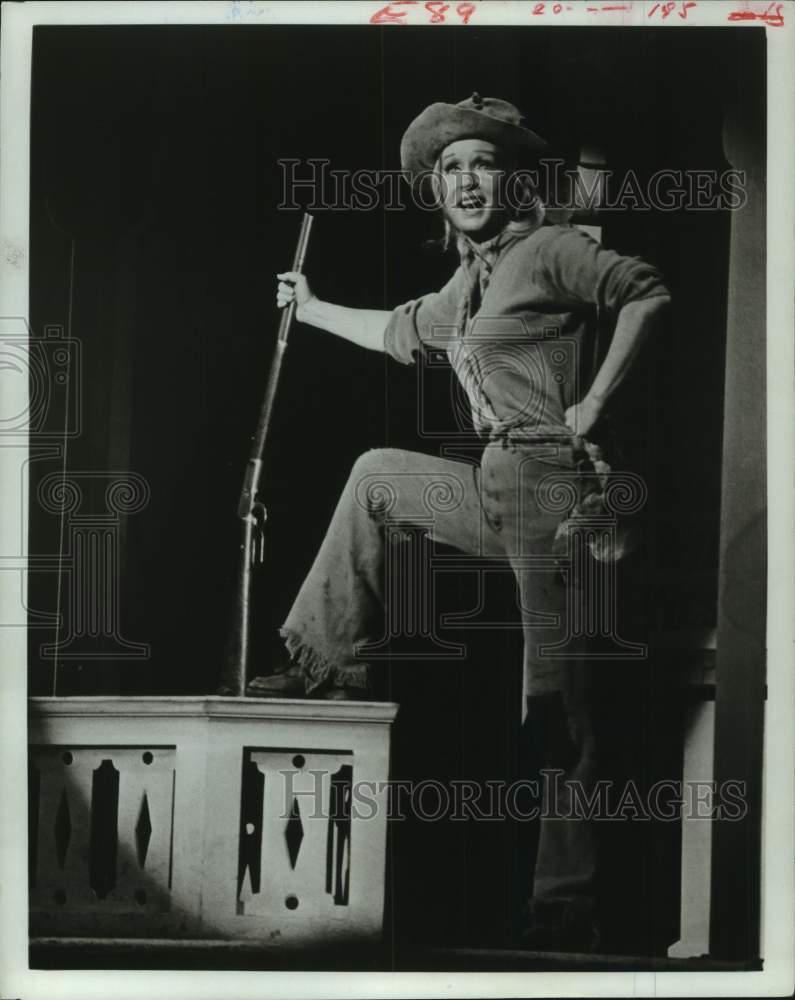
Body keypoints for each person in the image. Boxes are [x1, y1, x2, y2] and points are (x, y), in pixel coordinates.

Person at [247, 94, 671, 949]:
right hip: (493, 480)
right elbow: (403, 331)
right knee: (376, 478)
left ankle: (564, 905)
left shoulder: (549, 249)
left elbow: (647, 295)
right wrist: (312, 305)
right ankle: (329, 664)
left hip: (555, 487)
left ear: (511, 179)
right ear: (435, 192)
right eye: (449, 169)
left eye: (481, 164)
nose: (466, 180)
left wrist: (593, 402)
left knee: (554, 704)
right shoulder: (470, 280)